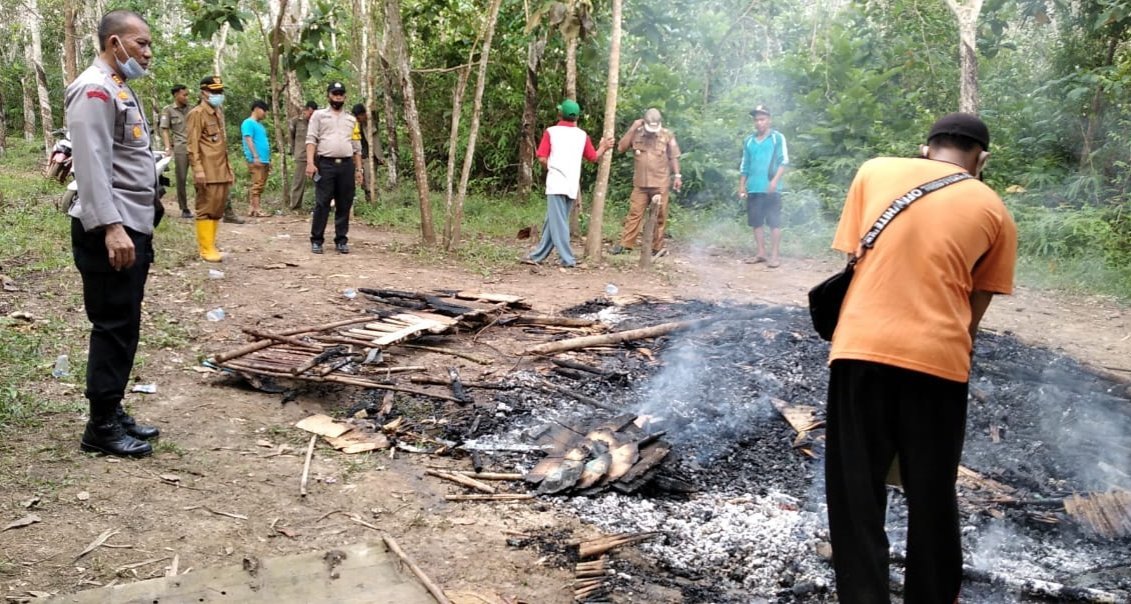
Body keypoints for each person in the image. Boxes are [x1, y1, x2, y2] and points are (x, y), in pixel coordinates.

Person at [823, 113, 1017, 604]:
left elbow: (856, 257)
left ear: (926, 148)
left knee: (856, 492)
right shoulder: (993, 208)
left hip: (859, 351)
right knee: (932, 493)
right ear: (982, 159)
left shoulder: (873, 171)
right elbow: (974, 309)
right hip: (938, 363)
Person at [65, 9, 161, 457]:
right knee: (113, 325)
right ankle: (100, 425)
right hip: (111, 229)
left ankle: (113, 408)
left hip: (130, 223)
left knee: (125, 322)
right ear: (114, 43)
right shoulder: (95, 89)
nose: (147, 51)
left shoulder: (118, 88)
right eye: (140, 43)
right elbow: (90, 165)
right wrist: (112, 227)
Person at [524, 99, 613, 268]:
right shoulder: (582, 135)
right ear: (577, 117)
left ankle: (568, 259)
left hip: (556, 183)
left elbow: (541, 157)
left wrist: (551, 166)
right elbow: (593, 157)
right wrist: (604, 146)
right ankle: (537, 256)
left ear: (560, 114)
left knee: (558, 223)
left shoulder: (551, 132)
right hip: (572, 185)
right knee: (553, 221)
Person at [610, 108, 681, 258]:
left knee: (660, 216)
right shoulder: (637, 132)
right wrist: (633, 127)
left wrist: (677, 176)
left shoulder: (667, 135)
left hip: (660, 182)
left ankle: (657, 247)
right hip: (640, 184)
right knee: (634, 214)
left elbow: (674, 156)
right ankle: (626, 245)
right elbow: (621, 148)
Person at [306, 81, 362, 254]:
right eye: (334, 93)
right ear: (328, 95)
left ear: (345, 97)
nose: (338, 96)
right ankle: (317, 240)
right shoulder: (318, 116)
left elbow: (356, 147)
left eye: (340, 94)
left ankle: (341, 240)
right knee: (322, 203)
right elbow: (311, 139)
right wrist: (310, 163)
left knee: (344, 203)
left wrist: (359, 170)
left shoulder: (351, 120)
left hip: (346, 165)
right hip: (326, 164)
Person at [186, 75, 235, 262]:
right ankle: (205, 249)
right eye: (214, 92)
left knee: (217, 208)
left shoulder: (217, 113)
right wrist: (198, 170)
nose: (218, 95)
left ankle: (212, 245)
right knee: (206, 208)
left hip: (220, 169)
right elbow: (192, 145)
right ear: (204, 92)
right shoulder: (197, 114)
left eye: (220, 91)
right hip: (206, 170)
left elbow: (222, 145)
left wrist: (229, 169)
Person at [738, 105, 788, 267]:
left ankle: (775, 255)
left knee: (774, 221)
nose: (759, 123)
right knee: (756, 221)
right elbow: (745, 165)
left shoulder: (777, 138)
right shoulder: (749, 141)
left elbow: (784, 161)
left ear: (769, 120)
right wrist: (742, 186)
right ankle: (761, 253)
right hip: (754, 187)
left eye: (762, 119)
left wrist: (774, 181)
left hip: (772, 189)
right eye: (756, 120)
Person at [158, 84, 192, 218]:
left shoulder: (192, 109)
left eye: (187, 94)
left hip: (195, 147)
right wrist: (168, 147)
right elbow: (164, 129)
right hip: (180, 148)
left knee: (199, 178)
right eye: (184, 95)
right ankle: (184, 208)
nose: (186, 97)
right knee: (181, 178)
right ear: (176, 95)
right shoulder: (168, 110)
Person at [241, 99, 271, 217]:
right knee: (257, 184)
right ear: (257, 109)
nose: (265, 114)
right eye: (264, 111)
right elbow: (248, 139)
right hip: (256, 159)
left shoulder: (260, 125)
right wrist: (255, 156)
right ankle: (257, 209)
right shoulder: (248, 123)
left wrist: (268, 159)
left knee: (259, 183)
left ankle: (252, 208)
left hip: (264, 159)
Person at [288, 100, 317, 210]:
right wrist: (293, 151)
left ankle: (322, 205)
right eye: (310, 113)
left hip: (315, 157)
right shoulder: (296, 121)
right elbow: (291, 137)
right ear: (305, 111)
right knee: (298, 182)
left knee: (320, 180)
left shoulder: (317, 122)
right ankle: (295, 206)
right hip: (301, 156)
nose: (311, 116)